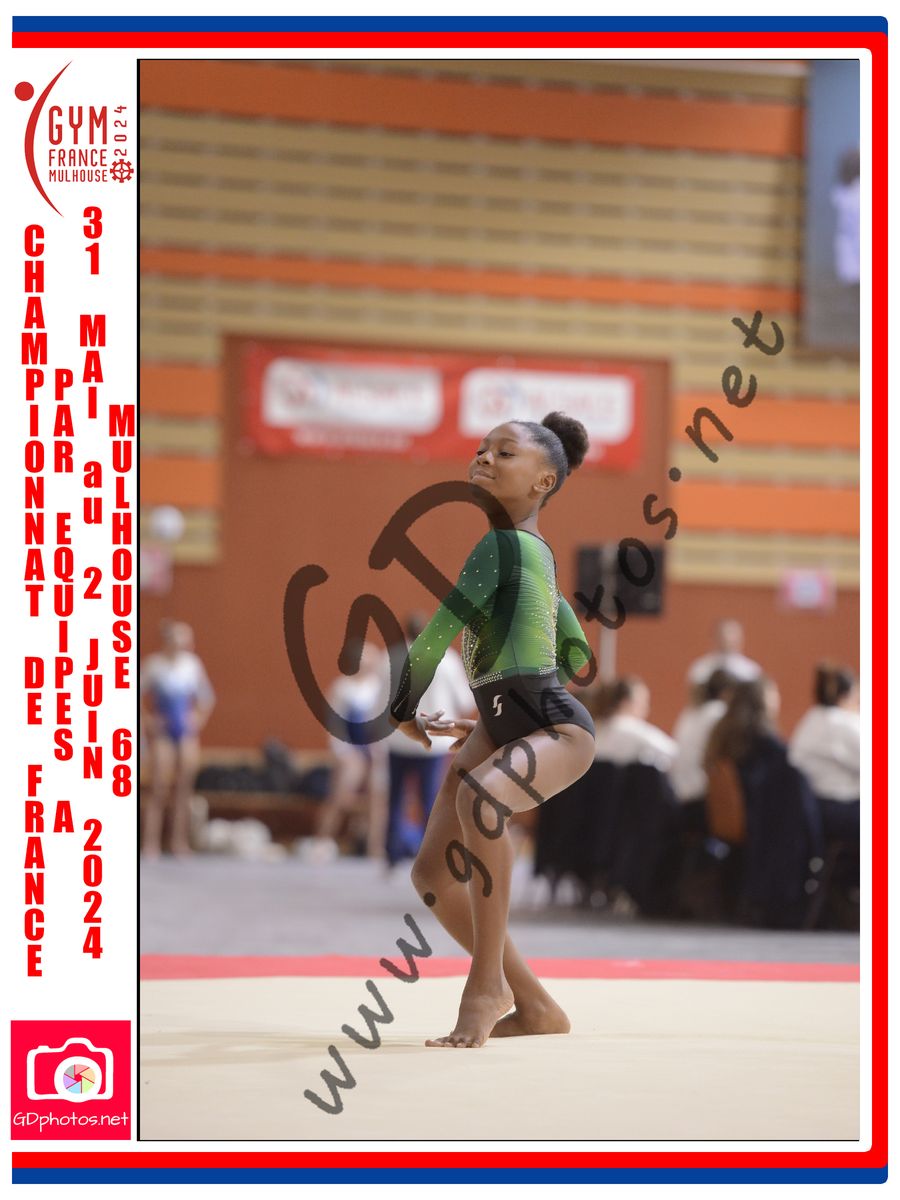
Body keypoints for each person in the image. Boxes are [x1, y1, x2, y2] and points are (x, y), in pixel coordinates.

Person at [388, 412, 596, 1048]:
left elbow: (436, 636)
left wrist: (402, 709)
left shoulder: (505, 548)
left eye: (504, 452)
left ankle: (485, 987)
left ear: (543, 481)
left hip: (555, 729)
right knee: (432, 875)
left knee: (482, 801)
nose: (484, 457)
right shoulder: (534, 556)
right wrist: (493, 715)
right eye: (482, 448)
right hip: (507, 723)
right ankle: (535, 1006)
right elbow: (577, 657)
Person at [380, 614, 475, 871]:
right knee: (430, 799)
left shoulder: (392, 656)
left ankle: (391, 855)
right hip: (434, 740)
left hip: (399, 739)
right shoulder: (447, 659)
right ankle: (429, 855)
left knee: (396, 798)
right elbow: (465, 700)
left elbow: (380, 700)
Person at [140, 620, 216, 858]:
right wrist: (148, 720)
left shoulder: (192, 665)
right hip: (163, 731)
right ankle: (150, 842)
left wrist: (197, 719)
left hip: (184, 730)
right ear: (167, 641)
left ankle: (178, 842)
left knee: (184, 789)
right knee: (158, 787)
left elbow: (207, 697)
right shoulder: (154, 665)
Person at [306, 638, 386, 861]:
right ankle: (322, 840)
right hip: (351, 750)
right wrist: (342, 752)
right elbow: (334, 725)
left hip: (374, 750)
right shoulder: (343, 687)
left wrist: (380, 750)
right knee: (340, 796)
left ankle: (376, 847)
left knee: (378, 799)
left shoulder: (379, 688)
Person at [788, 663, 860, 841]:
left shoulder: (812, 718)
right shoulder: (841, 724)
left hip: (812, 807)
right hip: (835, 810)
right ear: (847, 695)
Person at [669, 669, 738, 833]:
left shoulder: (689, 713)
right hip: (703, 799)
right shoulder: (719, 713)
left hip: (679, 794)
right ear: (728, 692)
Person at [589, 675, 677, 771]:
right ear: (625, 702)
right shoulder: (633, 728)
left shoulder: (592, 731)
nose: (646, 709)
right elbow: (674, 754)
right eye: (643, 702)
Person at [686, 618, 762, 687]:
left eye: (733, 634)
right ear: (716, 638)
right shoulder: (701, 669)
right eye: (726, 634)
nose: (729, 640)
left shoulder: (751, 671)